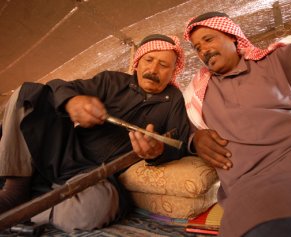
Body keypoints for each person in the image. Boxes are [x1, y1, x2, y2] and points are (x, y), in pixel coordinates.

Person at [0, 34, 189, 232]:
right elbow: (59, 86)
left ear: (173, 72)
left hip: (98, 175)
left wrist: (157, 152)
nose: (153, 70)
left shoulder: (174, 100)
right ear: (138, 62)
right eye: (148, 60)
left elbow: (180, 145)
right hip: (65, 151)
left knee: (96, 207)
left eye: (163, 65)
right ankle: (15, 190)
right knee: (30, 95)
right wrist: (72, 101)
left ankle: (31, 212)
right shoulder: (112, 80)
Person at [182, 11, 291, 237]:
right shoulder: (198, 96)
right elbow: (180, 134)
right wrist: (195, 140)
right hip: (253, 180)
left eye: (208, 39)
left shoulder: (275, 61)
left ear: (233, 37)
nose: (203, 50)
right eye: (197, 48)